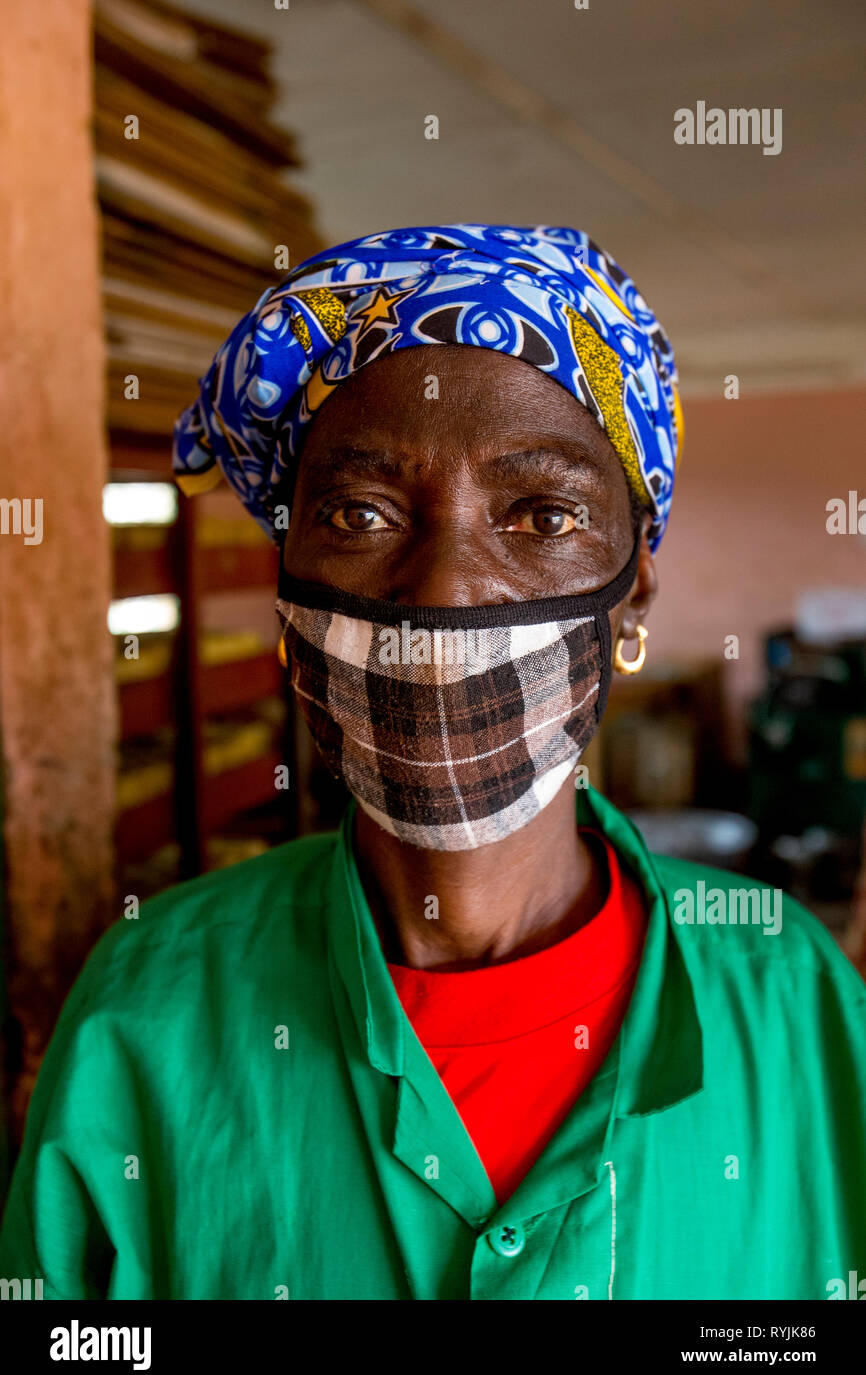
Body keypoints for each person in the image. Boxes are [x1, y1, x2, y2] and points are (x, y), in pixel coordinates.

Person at [1, 225, 864, 1301]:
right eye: (360, 513)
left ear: (631, 591)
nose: (444, 590)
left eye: (539, 514)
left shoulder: (796, 1001)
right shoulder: (147, 1011)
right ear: (285, 584)